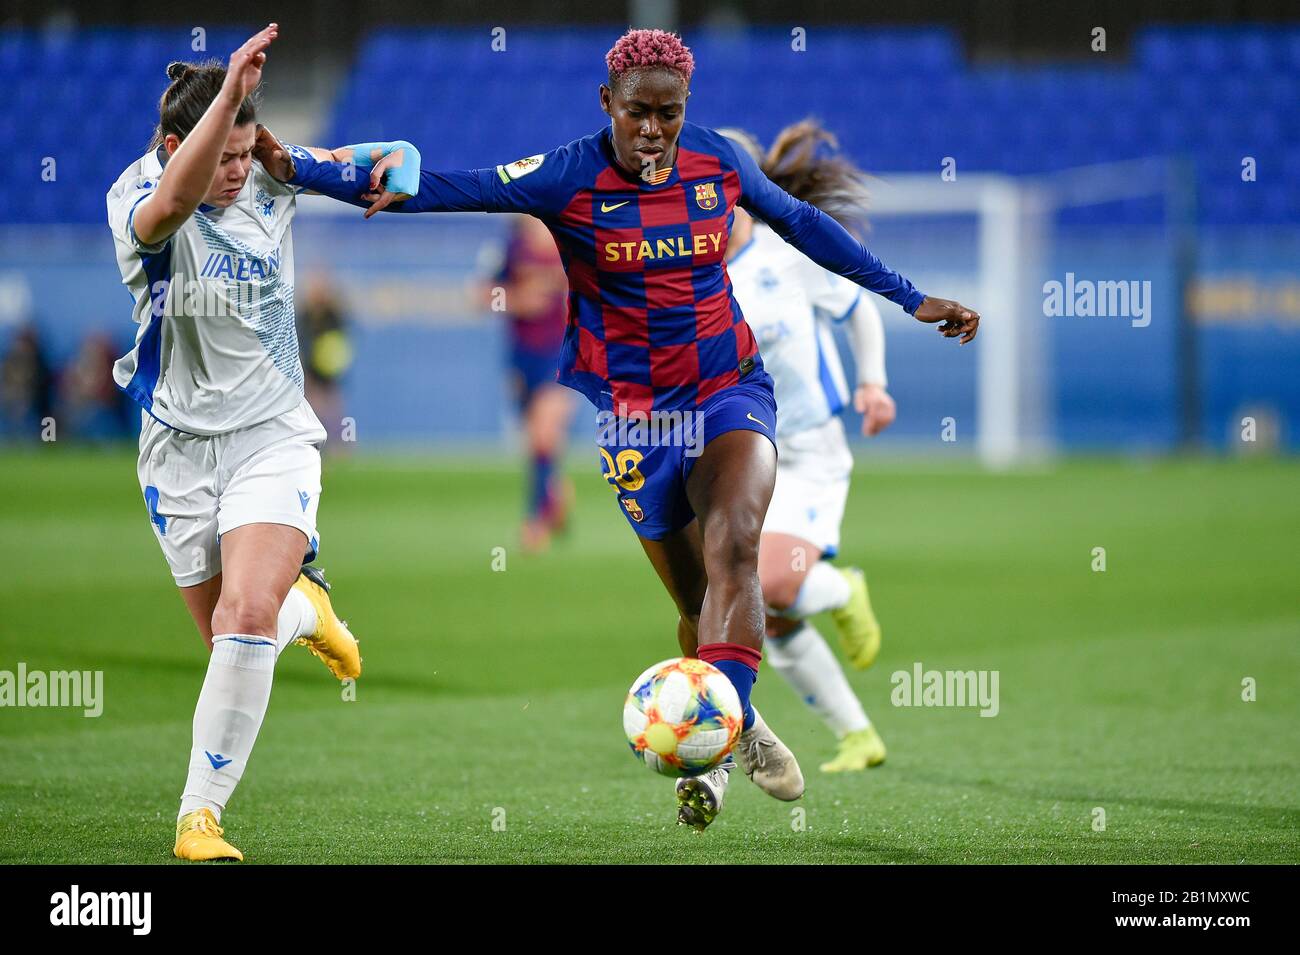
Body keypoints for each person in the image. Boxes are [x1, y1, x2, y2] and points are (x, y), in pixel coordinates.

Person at [257, 28, 979, 831]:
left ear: (685, 110)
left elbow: (806, 222)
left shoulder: (718, 164)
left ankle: (719, 725)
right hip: (635, 423)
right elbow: (445, 187)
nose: (653, 132)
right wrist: (303, 168)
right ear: (608, 104)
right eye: (638, 113)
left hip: (728, 390)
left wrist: (913, 298)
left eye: (668, 115)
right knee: (697, 602)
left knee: (737, 543)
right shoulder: (567, 175)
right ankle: (738, 714)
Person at [107, 24, 415, 861]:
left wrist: (359, 164)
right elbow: (170, 206)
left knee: (242, 616)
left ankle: (197, 816)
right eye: (225, 157)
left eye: (247, 153)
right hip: (176, 449)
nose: (238, 172)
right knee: (231, 640)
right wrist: (233, 95)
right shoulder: (137, 194)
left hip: (273, 436)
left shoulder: (267, 181)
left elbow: (389, 162)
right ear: (178, 146)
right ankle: (306, 607)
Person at [722, 123, 894, 774]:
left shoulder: (788, 251)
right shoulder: (687, 275)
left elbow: (858, 309)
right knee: (766, 612)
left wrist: (873, 382)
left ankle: (844, 589)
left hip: (808, 449)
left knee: (775, 583)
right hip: (740, 455)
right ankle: (858, 735)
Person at [478, 215, 576, 551]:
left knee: (544, 432)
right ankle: (555, 491)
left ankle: (534, 523)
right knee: (536, 441)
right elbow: (482, 297)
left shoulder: (571, 239)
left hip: (563, 353)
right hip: (522, 357)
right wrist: (518, 299)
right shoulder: (512, 247)